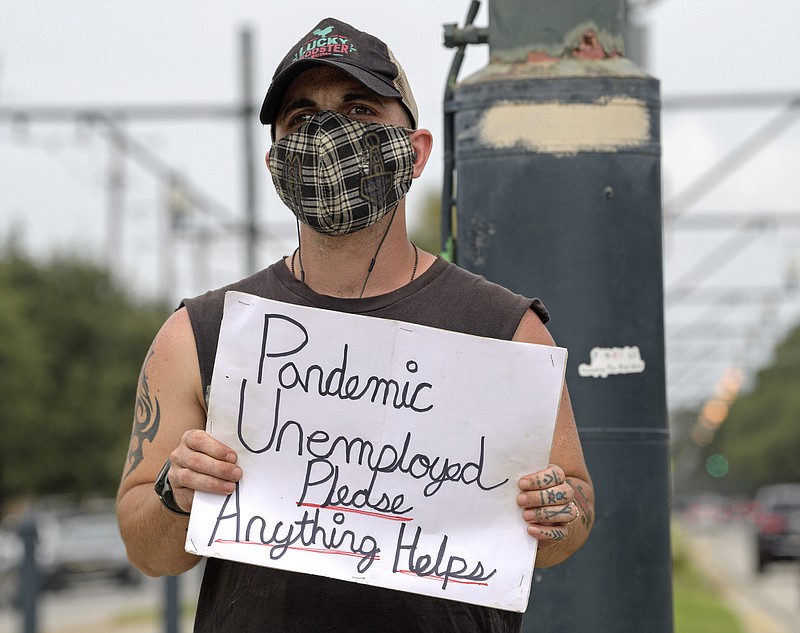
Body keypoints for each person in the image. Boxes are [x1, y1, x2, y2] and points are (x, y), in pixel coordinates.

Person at [116, 17, 594, 633]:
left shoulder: (504, 332)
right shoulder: (202, 334)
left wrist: (555, 509)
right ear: (275, 162)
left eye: (360, 109)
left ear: (416, 152)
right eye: (300, 117)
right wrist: (174, 492)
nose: (328, 131)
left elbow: (569, 521)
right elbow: (145, 549)